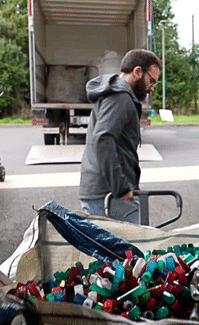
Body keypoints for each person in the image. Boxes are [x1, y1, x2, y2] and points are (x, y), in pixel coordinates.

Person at [79, 49, 162, 223]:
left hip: (102, 191)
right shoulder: (120, 97)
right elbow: (103, 138)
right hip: (108, 194)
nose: (152, 87)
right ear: (137, 71)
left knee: (109, 248)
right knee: (131, 248)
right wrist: (120, 186)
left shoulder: (115, 93)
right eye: (151, 80)